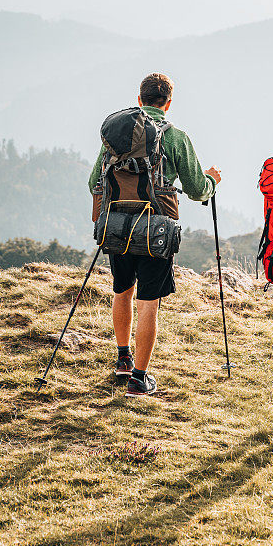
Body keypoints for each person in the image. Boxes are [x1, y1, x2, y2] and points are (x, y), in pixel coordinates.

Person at [88, 72, 221, 397]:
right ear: (168, 102)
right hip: (156, 231)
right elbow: (196, 189)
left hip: (116, 225)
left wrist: (102, 217)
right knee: (149, 302)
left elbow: (95, 181)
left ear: (139, 99)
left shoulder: (116, 135)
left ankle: (123, 360)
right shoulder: (175, 137)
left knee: (122, 291)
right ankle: (139, 379)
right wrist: (212, 180)